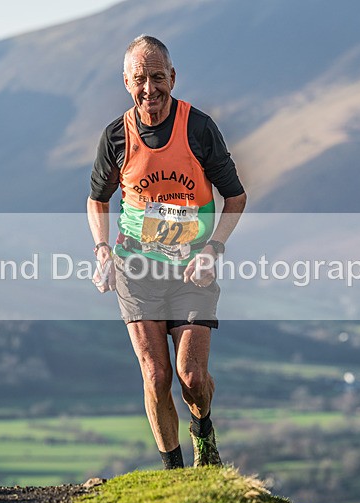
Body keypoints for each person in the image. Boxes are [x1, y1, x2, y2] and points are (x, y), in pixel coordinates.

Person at [87, 35, 247, 469]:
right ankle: (174, 475)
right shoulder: (116, 137)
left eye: (158, 77)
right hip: (136, 267)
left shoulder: (198, 128)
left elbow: (235, 196)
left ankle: (205, 437)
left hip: (193, 269)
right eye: (140, 79)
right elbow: (97, 198)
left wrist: (214, 248)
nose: (150, 88)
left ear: (173, 78)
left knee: (191, 378)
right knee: (156, 376)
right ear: (126, 81)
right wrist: (102, 249)